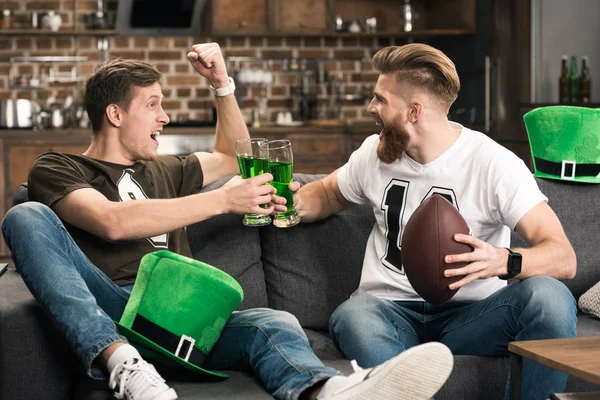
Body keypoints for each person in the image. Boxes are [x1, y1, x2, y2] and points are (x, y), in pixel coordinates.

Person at [1, 43, 454, 400]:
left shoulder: (165, 169)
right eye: (153, 105)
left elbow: (229, 154)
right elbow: (110, 221)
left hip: (188, 319)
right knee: (25, 216)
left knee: (272, 321)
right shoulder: (59, 169)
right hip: (116, 308)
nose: (166, 116)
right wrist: (221, 202)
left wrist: (222, 84)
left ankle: (325, 391)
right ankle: (123, 365)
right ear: (115, 114)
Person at [292, 43, 578, 400]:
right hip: (385, 311)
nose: (371, 108)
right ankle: (399, 385)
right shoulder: (374, 152)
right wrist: (295, 201)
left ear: (414, 111)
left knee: (551, 297)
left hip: (471, 317)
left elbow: (563, 257)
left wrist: (504, 260)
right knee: (354, 315)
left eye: (380, 99)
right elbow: (330, 193)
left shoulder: (493, 164)